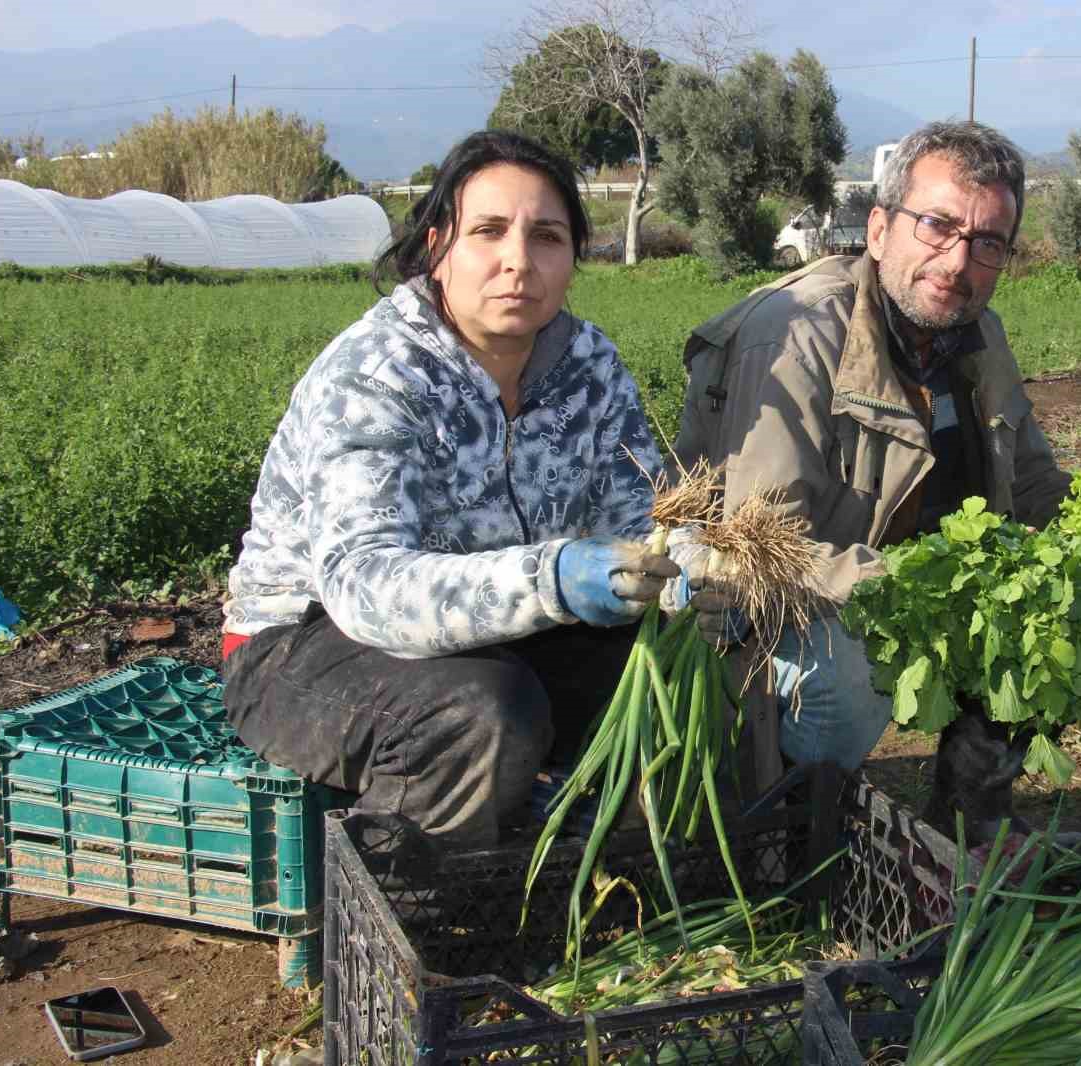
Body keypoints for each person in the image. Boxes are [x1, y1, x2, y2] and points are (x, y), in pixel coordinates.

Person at [220, 130, 715, 849]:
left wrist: (690, 571)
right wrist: (553, 580)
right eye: (488, 231)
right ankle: (406, 918)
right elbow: (364, 586)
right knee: (484, 714)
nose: (519, 261)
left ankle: (600, 878)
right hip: (307, 638)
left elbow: (640, 518)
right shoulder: (376, 373)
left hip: (507, 632)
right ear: (436, 244)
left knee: (679, 676)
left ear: (574, 257)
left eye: (547, 236)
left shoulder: (589, 366)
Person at [673, 120, 1073, 842]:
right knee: (855, 673)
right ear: (881, 229)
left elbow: (1037, 484)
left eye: (987, 243)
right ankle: (786, 829)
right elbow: (763, 550)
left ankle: (968, 816)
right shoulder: (793, 335)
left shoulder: (978, 337)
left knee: (1075, 600)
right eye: (938, 226)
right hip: (766, 613)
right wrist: (919, 592)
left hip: (908, 592)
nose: (958, 262)